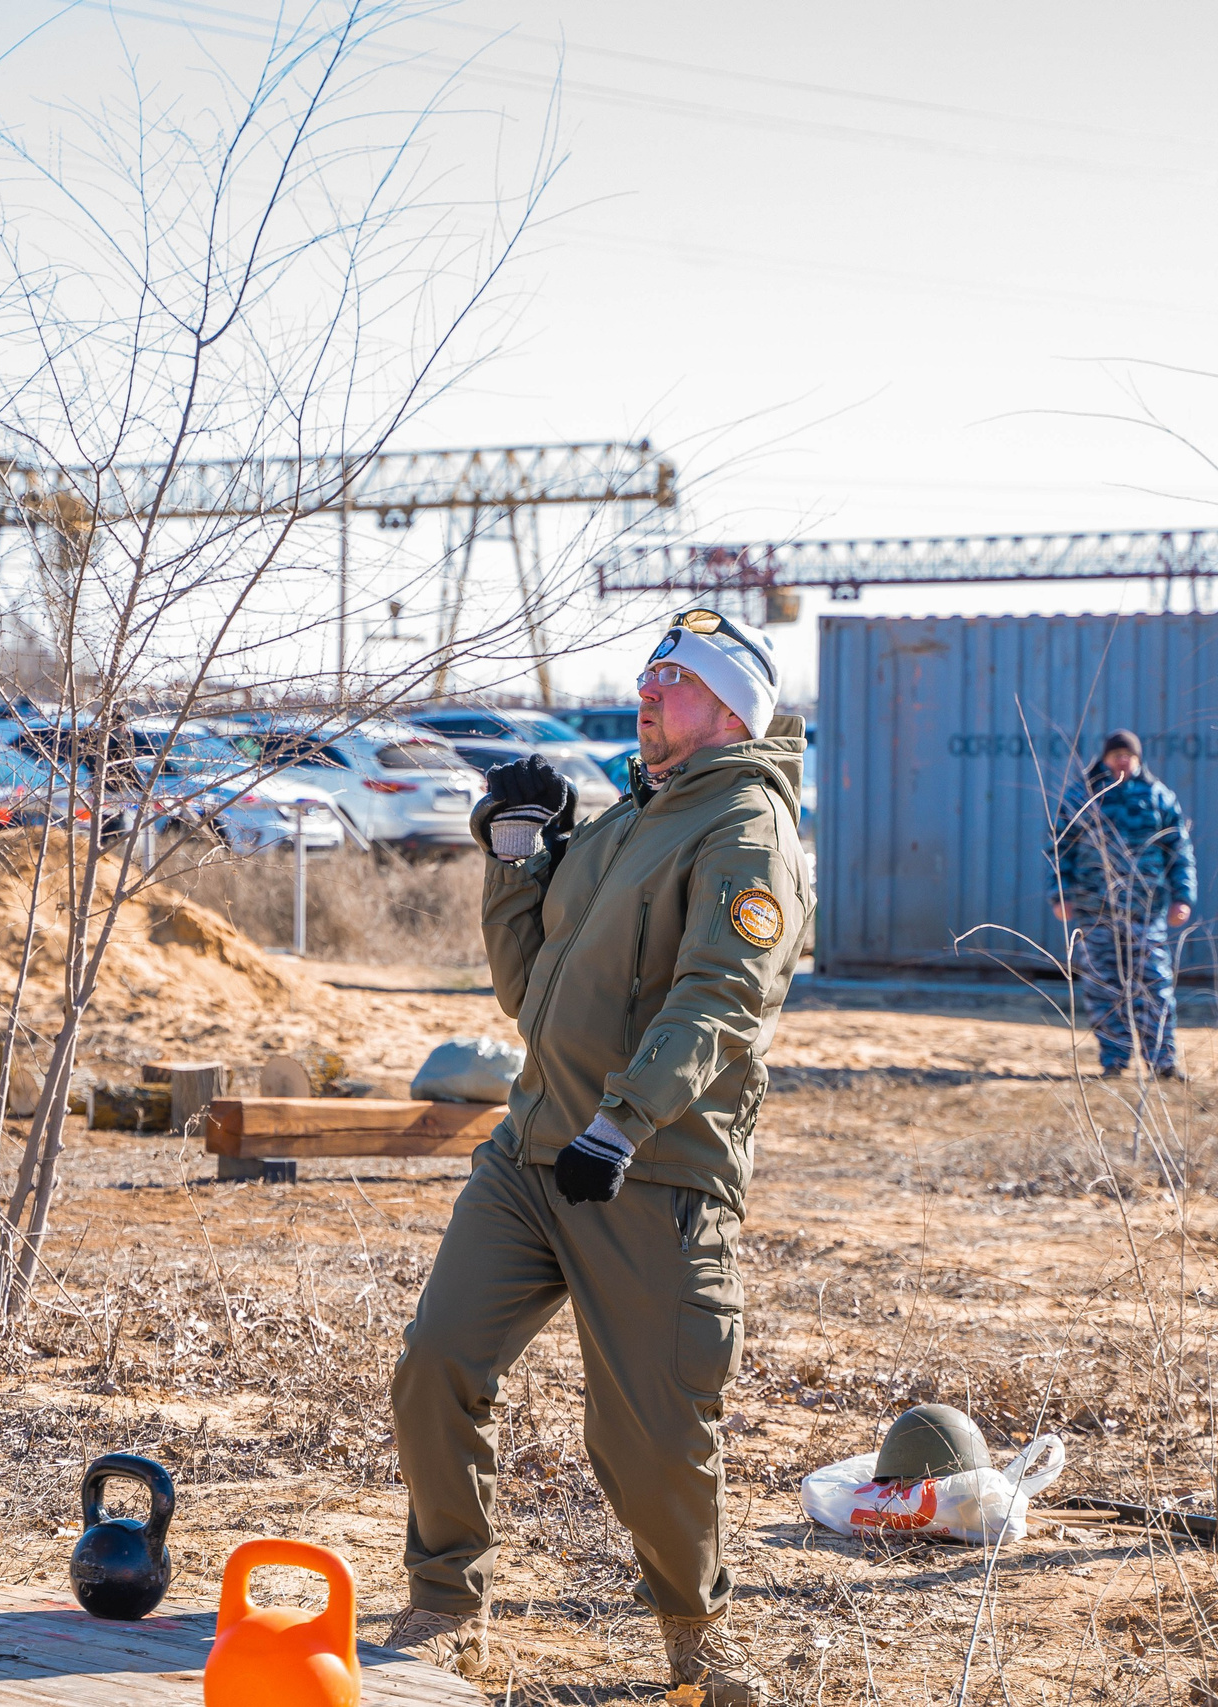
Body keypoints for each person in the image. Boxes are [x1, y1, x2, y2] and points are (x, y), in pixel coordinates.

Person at [383, 609, 811, 1706]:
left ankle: (694, 1639)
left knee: (652, 1439)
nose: (648, 691)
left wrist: (623, 1122)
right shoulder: (630, 819)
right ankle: (443, 1601)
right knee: (436, 1362)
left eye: (673, 680)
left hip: (648, 1169)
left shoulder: (744, 829)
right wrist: (515, 860)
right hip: (532, 1156)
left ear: (728, 709)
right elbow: (533, 993)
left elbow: (725, 997)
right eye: (649, 673)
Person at [1048, 728, 1196, 1079]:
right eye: (1116, 756)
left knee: (1155, 986)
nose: (1123, 761)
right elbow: (1059, 848)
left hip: (1146, 911)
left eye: (1129, 756)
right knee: (1103, 988)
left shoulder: (1159, 797)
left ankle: (1163, 1063)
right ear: (1105, 758)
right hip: (1094, 910)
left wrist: (1183, 897)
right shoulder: (1081, 795)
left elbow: (1179, 851)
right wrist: (1060, 894)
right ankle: (1114, 1062)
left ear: (1138, 759)